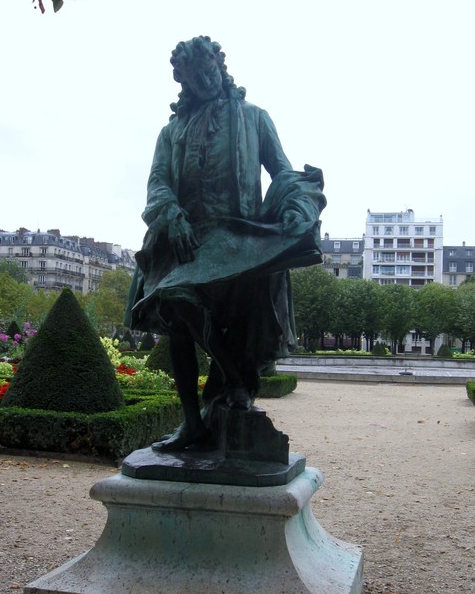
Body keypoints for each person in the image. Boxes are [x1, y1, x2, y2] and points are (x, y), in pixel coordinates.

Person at [125, 36, 325, 452]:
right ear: (184, 82)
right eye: (196, 78)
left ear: (221, 66)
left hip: (239, 237)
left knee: (216, 315)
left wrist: (294, 205)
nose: (206, 81)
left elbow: (282, 172)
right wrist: (172, 214)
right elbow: (158, 182)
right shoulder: (171, 131)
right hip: (188, 240)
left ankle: (230, 387)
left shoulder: (255, 117)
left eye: (210, 71)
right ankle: (197, 417)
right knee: (173, 301)